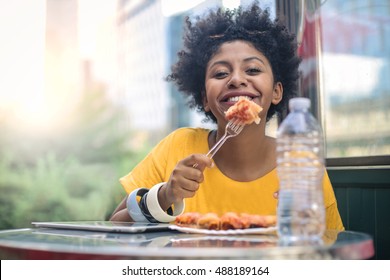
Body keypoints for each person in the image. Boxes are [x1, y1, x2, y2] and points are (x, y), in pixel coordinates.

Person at [110, 2, 344, 231]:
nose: (236, 79)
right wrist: (164, 195)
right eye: (221, 73)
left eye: (252, 69)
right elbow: (114, 225)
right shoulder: (177, 146)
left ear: (276, 92)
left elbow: (332, 251)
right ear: (204, 98)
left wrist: (305, 222)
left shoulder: (301, 166)